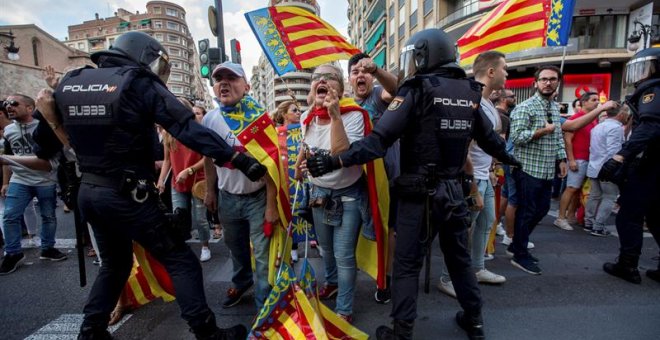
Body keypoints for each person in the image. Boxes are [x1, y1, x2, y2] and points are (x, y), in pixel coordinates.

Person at [306, 28, 520, 340]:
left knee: (406, 265)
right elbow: (489, 139)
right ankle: (474, 321)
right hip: (454, 192)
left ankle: (401, 331)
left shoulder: (416, 89)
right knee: (460, 261)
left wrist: (334, 161)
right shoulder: (469, 91)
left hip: (417, 195)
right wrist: (511, 159)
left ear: (422, 54)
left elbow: (379, 141)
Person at [51, 31, 258, 339]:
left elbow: (47, 137)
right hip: (127, 193)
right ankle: (207, 332)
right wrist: (239, 160)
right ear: (145, 56)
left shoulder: (72, 82)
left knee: (115, 264)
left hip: (89, 191)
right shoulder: (136, 82)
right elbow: (186, 128)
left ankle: (91, 331)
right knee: (181, 260)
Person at [296, 63, 372, 323]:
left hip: (348, 196)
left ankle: (344, 308)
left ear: (340, 87)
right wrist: (299, 167)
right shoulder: (307, 116)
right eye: (317, 77)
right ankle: (331, 282)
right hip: (319, 193)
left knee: (343, 254)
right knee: (325, 250)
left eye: (329, 77)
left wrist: (336, 115)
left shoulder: (354, 115)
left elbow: (344, 156)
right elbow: (305, 147)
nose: (322, 81)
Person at [201, 62, 277, 312]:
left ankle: (264, 307)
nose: (223, 82)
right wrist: (210, 191)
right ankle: (241, 281)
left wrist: (271, 205)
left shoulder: (260, 119)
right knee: (236, 249)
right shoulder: (210, 120)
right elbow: (208, 159)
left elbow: (272, 166)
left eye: (231, 78)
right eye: (218, 78)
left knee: (263, 258)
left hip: (257, 199)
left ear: (246, 86)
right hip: (227, 198)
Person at [438, 51, 509, 298]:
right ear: (491, 72)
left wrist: (489, 172)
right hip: (471, 180)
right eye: (504, 68)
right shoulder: (470, 99)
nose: (507, 73)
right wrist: (473, 188)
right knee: (462, 232)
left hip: (484, 177)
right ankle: (448, 278)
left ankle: (477, 268)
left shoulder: (488, 103)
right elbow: (463, 149)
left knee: (486, 223)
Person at [599, 47, 660, 284]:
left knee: (629, 216)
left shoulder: (652, 92)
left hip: (649, 165)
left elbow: (650, 127)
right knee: (655, 216)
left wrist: (620, 156)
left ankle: (627, 265)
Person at [347, 52, 398, 304]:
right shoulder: (346, 106)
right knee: (356, 229)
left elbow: (395, 88)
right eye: (355, 72)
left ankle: (385, 279)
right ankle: (349, 277)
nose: (360, 76)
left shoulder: (378, 96)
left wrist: (377, 70)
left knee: (388, 230)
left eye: (364, 71)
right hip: (357, 182)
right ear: (349, 79)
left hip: (388, 179)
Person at [508, 65, 568, 275]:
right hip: (527, 169)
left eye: (552, 79)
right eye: (543, 79)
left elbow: (558, 135)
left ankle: (517, 244)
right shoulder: (525, 107)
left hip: (546, 169)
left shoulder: (553, 107)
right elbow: (516, 138)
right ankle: (520, 254)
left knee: (542, 210)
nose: (548, 82)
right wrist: (542, 131)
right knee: (526, 212)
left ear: (557, 83)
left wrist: (561, 158)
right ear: (536, 83)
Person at [0, 94, 67, 276]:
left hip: (45, 179)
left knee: (48, 216)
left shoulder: (43, 127)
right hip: (19, 180)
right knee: (10, 216)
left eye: (14, 103)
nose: (9, 107)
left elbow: (46, 162)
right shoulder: (9, 131)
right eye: (7, 104)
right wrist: (6, 182)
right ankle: (13, 253)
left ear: (30, 108)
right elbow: (6, 159)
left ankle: (48, 248)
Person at [157, 98, 212, 262]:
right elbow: (167, 160)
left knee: (201, 218)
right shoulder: (168, 131)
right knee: (178, 217)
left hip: (198, 180)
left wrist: (189, 170)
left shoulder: (198, 130)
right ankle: (180, 248)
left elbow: (207, 159)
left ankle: (205, 246)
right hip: (177, 182)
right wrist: (161, 181)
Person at [554, 92, 599, 231]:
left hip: (588, 158)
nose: (597, 102)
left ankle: (572, 215)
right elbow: (568, 140)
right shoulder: (576, 118)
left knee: (578, 189)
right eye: (593, 100)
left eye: (597, 100)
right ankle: (561, 217)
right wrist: (571, 159)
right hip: (578, 158)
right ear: (584, 102)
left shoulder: (593, 119)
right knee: (571, 188)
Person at [584, 104, 628, 237]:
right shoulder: (615, 128)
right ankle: (598, 227)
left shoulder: (598, 126)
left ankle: (589, 222)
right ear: (620, 114)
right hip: (607, 168)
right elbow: (613, 151)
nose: (627, 115)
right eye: (626, 112)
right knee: (609, 197)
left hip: (594, 165)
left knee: (594, 195)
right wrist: (614, 167)